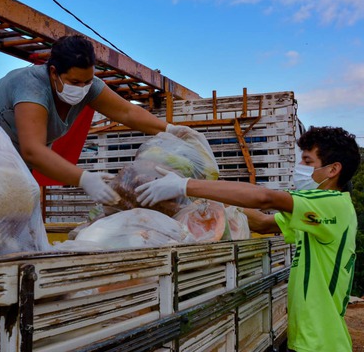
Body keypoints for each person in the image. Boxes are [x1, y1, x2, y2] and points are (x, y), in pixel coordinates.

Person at [135, 126, 361, 352]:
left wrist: (185, 185)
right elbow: (262, 222)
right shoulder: (317, 216)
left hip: (322, 344)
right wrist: (209, 202)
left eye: (307, 161)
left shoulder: (330, 204)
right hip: (311, 340)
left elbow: (264, 199)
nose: (299, 168)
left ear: (333, 170)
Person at [0, 34, 204, 205]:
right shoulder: (31, 87)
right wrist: (83, 178)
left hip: (14, 171)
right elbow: (33, 151)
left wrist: (171, 130)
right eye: (75, 82)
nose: (82, 88)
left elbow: (127, 112)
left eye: (87, 81)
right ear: (53, 72)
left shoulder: (89, 87)